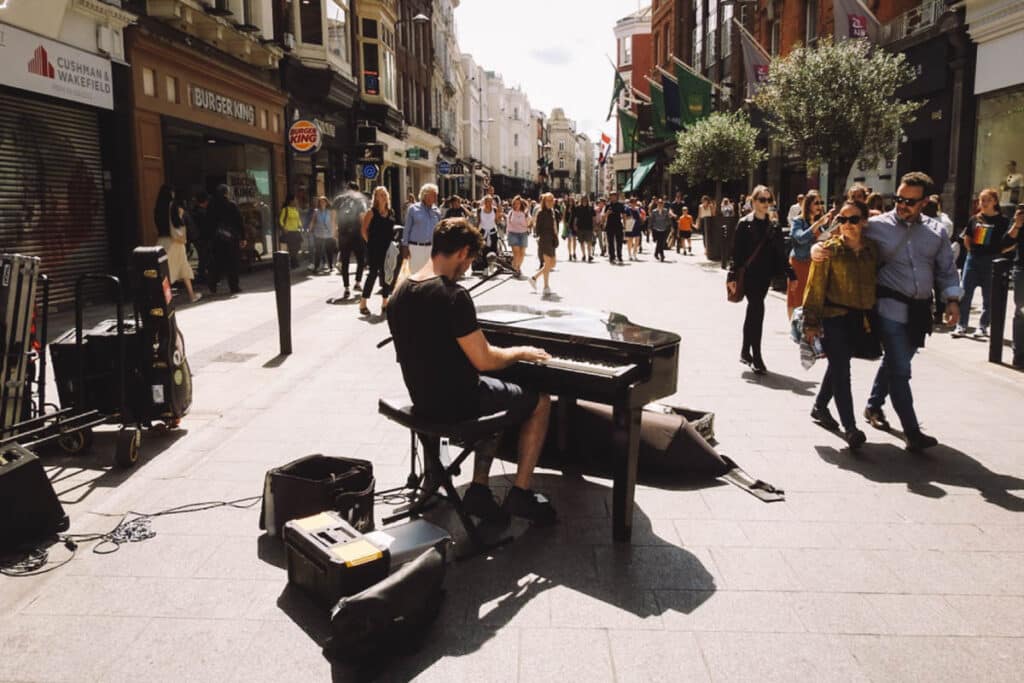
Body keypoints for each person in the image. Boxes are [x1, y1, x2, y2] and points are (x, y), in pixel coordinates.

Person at [385, 218, 556, 525]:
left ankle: (479, 490)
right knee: (540, 401)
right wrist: (522, 352)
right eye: (470, 260)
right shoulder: (453, 296)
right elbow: (486, 360)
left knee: (499, 389)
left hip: (423, 401)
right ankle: (521, 492)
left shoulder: (399, 293)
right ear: (462, 252)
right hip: (458, 405)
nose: (467, 269)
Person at [812, 172, 962, 451]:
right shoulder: (877, 225)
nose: (902, 205)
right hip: (888, 307)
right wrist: (814, 248)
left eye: (909, 201)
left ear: (925, 202)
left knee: (896, 361)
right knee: (900, 368)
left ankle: (867, 406)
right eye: (898, 199)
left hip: (920, 311)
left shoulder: (936, 231)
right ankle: (912, 432)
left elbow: (946, 270)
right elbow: (836, 235)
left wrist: (952, 300)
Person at [802, 199, 877, 448]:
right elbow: (814, 288)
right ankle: (851, 427)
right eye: (842, 220)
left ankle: (820, 406)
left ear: (864, 221)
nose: (847, 225)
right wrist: (810, 323)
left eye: (853, 219)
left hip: (860, 319)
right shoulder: (828, 250)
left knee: (837, 365)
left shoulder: (873, 251)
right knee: (842, 370)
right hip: (833, 318)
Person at [727, 185, 791, 374]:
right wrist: (732, 276)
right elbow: (736, 253)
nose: (765, 204)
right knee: (757, 310)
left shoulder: (774, 225)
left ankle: (745, 351)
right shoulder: (744, 223)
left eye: (768, 200)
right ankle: (756, 356)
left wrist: (789, 272)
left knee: (753, 311)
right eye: (761, 200)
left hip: (765, 277)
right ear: (753, 202)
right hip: (748, 276)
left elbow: (780, 253)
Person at [952, 188, 1012, 338]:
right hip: (973, 259)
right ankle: (961, 325)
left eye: (987, 200)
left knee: (989, 295)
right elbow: (967, 237)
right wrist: (972, 251)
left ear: (995, 202)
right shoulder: (974, 219)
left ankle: (983, 326)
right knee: (965, 292)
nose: (983, 203)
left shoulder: (1003, 221)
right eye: (981, 200)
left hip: (991, 260)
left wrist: (999, 253)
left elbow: (1011, 241)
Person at [788, 190, 833, 319]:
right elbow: (800, 238)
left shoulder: (821, 223)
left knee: (812, 298)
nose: (819, 206)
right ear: (808, 205)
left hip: (815, 264)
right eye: (816, 203)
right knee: (797, 298)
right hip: (800, 263)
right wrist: (817, 224)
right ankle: (795, 326)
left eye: (821, 202)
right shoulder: (798, 221)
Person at [154, 186, 202, 303]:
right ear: (171, 193)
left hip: (161, 241)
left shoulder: (158, 208)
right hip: (175, 242)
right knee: (183, 267)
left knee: (164, 270)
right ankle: (191, 295)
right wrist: (180, 214)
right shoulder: (173, 206)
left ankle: (165, 298)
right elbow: (178, 223)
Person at [359, 186, 396, 316]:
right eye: (380, 194)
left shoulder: (390, 212)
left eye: (385, 194)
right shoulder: (371, 212)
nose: (383, 196)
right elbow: (364, 230)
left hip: (388, 248)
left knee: (387, 274)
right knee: (373, 274)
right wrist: (370, 243)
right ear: (376, 197)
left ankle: (385, 302)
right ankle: (363, 302)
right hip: (374, 248)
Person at [207, 184, 245, 295]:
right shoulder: (231, 205)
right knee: (233, 263)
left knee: (217, 262)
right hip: (231, 238)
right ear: (226, 193)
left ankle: (213, 284)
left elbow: (208, 222)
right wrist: (242, 237)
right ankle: (234, 286)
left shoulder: (212, 205)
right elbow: (239, 221)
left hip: (217, 239)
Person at [335, 182, 368, 298]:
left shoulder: (339, 200)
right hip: (357, 235)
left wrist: (335, 232)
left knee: (345, 262)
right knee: (361, 260)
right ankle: (358, 282)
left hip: (343, 235)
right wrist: (366, 233)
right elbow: (362, 217)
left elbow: (334, 216)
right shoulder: (360, 201)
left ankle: (346, 288)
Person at [403, 183, 442, 272]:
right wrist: (405, 246)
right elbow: (407, 229)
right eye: (434, 195)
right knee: (415, 274)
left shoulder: (437, 211)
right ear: (425, 195)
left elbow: (439, 230)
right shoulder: (413, 209)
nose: (436, 198)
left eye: (436, 195)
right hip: (415, 248)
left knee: (430, 274)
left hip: (431, 248)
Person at [529, 192, 558, 296]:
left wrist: (556, 236)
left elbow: (554, 226)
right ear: (544, 201)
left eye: (552, 200)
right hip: (545, 239)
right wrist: (540, 238)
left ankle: (534, 278)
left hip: (552, 239)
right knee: (547, 263)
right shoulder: (541, 213)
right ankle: (546, 286)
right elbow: (537, 228)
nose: (551, 202)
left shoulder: (552, 212)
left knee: (552, 263)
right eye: (548, 200)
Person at [1007, 205, 1024, 368]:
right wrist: (1017, 224)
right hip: (1022, 269)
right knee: (1022, 313)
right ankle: (1019, 355)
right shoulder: (1020, 220)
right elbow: (1006, 244)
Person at [309, 196, 336, 274]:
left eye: (324, 202)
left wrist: (334, 232)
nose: (322, 203)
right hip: (319, 233)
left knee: (329, 251)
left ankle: (330, 266)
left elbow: (333, 222)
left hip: (329, 233)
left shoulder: (330, 211)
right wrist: (310, 229)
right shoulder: (316, 211)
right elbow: (313, 221)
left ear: (326, 203)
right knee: (318, 251)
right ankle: (316, 267)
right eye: (321, 202)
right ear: (319, 203)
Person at [505, 196, 530, 277]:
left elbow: (529, 223)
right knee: (516, 253)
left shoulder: (525, 213)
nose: (516, 205)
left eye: (518, 203)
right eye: (515, 203)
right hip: (513, 233)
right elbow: (508, 225)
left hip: (523, 234)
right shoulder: (511, 213)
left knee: (522, 253)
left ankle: (517, 266)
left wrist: (528, 221)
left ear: (521, 204)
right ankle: (516, 270)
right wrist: (507, 235)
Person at [278, 194, 303, 268]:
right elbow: (280, 220)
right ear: (291, 201)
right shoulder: (285, 209)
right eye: (295, 199)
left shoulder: (295, 210)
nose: (296, 201)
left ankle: (293, 261)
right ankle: (294, 263)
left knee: (298, 247)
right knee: (292, 249)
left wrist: (301, 226)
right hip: (289, 232)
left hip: (296, 231)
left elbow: (298, 220)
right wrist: (284, 228)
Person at [648, 197, 673, 262]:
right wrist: (649, 228)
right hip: (656, 229)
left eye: (661, 203)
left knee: (661, 242)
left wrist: (669, 226)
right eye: (659, 203)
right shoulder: (654, 211)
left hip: (663, 229)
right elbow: (651, 220)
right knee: (659, 242)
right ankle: (661, 255)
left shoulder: (665, 211)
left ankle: (657, 253)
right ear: (657, 204)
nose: (660, 205)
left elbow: (668, 220)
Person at [604, 192, 626, 263]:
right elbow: (604, 216)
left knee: (619, 242)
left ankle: (619, 256)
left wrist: (625, 225)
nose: (613, 197)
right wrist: (607, 213)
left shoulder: (620, 205)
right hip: (609, 226)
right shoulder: (608, 205)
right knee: (610, 243)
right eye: (611, 196)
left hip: (618, 225)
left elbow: (624, 215)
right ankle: (612, 257)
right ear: (610, 197)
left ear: (617, 197)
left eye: (614, 196)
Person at [573, 195, 596, 262]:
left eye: (586, 200)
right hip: (580, 227)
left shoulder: (590, 208)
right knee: (581, 242)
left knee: (589, 242)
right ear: (581, 200)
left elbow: (593, 218)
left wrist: (594, 226)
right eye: (583, 200)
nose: (584, 201)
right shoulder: (578, 208)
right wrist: (575, 225)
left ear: (587, 200)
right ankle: (583, 255)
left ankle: (589, 255)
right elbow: (576, 218)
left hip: (589, 227)